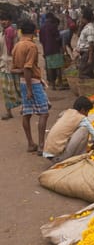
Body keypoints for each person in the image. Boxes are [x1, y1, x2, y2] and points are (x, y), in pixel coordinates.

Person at [11, 19, 49, 155]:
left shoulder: (17, 46)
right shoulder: (31, 46)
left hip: (23, 82)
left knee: (27, 113)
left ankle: (30, 143)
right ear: (34, 32)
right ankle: (41, 145)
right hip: (32, 83)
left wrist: (24, 78)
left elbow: (14, 69)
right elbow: (27, 68)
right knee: (44, 112)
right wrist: (29, 89)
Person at [43, 96, 94, 163]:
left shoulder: (66, 113)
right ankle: (79, 157)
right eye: (87, 111)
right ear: (82, 110)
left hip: (50, 155)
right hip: (59, 158)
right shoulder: (81, 118)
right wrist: (93, 148)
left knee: (75, 130)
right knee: (84, 130)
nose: (87, 114)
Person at [0, 12, 21, 120]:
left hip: (13, 65)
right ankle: (9, 112)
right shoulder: (2, 33)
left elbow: (13, 50)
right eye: (1, 19)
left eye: (5, 19)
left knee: (19, 88)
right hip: (4, 65)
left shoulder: (11, 32)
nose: (3, 21)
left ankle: (25, 108)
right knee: (6, 90)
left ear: (10, 21)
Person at [39, 13, 65, 90]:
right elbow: (58, 38)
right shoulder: (53, 26)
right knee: (58, 67)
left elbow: (41, 40)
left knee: (50, 67)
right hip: (55, 49)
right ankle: (60, 84)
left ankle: (53, 85)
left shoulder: (42, 28)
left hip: (47, 50)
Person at [75, 7, 94, 79]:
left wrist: (90, 58)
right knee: (88, 73)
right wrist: (81, 25)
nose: (80, 18)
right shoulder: (85, 27)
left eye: (82, 17)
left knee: (83, 74)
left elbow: (91, 43)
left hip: (87, 54)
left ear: (85, 18)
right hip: (84, 54)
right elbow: (78, 35)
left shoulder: (90, 28)